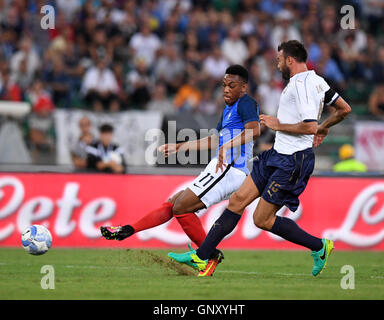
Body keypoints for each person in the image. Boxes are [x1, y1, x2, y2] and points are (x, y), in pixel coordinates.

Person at [168, 40, 352, 277]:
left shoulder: (303, 84)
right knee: (236, 201)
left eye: (278, 60)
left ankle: (319, 246)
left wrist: (279, 124)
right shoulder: (317, 81)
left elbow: (308, 127)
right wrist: (325, 127)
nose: (276, 65)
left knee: (262, 219)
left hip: (293, 161)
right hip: (275, 154)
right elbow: (343, 109)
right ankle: (201, 257)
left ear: (289, 60)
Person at [100, 65, 261, 277]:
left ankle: (208, 255)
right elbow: (214, 140)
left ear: (243, 87)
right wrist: (179, 146)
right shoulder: (228, 110)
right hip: (219, 167)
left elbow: (255, 131)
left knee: (182, 207)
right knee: (174, 202)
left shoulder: (246, 103)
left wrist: (227, 146)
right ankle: (129, 229)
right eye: (223, 85)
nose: (226, 89)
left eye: (232, 85)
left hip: (230, 170)